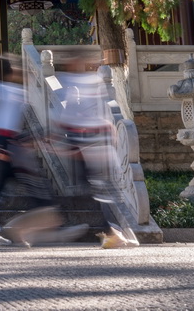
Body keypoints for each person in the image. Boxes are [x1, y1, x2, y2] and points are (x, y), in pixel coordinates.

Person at [0, 55, 87, 247]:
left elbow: (18, 123)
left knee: (32, 188)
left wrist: (32, 140)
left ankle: (8, 231)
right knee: (7, 190)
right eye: (19, 71)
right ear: (11, 73)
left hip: (15, 144)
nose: (22, 75)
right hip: (6, 145)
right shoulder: (0, 89)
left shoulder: (21, 92)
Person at [51, 62, 140, 249]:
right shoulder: (79, 84)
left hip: (90, 149)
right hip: (83, 150)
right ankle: (111, 233)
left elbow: (82, 120)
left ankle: (112, 233)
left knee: (98, 191)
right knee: (95, 191)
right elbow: (68, 121)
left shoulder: (85, 84)